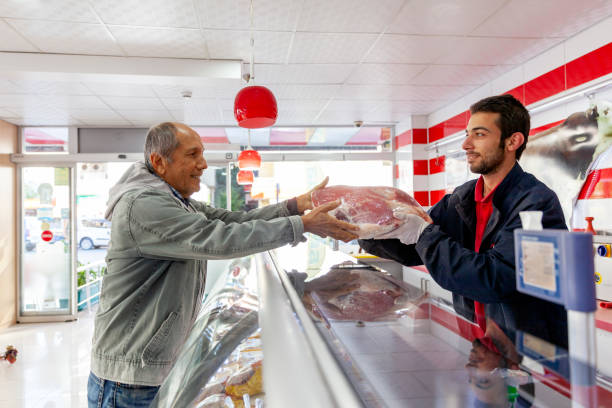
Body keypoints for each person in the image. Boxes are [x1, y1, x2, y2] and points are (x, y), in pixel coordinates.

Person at [87, 122, 358, 407]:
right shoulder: (144, 205)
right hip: (130, 378)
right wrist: (301, 225)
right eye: (192, 155)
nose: (203, 164)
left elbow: (232, 221)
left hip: (148, 370)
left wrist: (293, 207)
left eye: (202, 154)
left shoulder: (176, 200)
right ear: (158, 161)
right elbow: (218, 238)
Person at [360, 94, 568, 348]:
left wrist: (424, 234)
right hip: (477, 343)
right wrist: (364, 227)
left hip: (526, 353)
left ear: (513, 141)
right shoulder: (462, 198)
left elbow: (495, 279)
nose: (466, 144)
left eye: (479, 134)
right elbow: (413, 250)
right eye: (467, 134)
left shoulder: (536, 203)